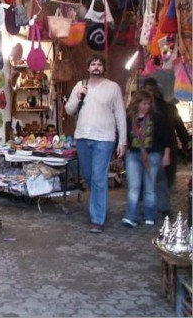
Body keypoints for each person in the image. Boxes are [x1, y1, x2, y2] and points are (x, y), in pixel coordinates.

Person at [65, 53, 127, 233]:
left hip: (104, 138)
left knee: (99, 178)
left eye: (99, 64)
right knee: (89, 176)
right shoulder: (80, 85)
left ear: (104, 68)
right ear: (88, 68)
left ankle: (97, 218)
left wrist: (122, 141)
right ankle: (97, 203)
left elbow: (121, 116)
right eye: (93, 64)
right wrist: (77, 96)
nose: (96, 67)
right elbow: (69, 110)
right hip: (83, 137)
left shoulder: (113, 87)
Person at [121, 90, 172, 228]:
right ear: (137, 104)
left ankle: (150, 215)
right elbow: (124, 136)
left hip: (153, 154)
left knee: (150, 186)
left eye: (149, 104)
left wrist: (166, 154)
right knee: (134, 186)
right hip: (133, 154)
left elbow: (166, 137)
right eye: (144, 103)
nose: (146, 106)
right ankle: (131, 216)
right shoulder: (129, 118)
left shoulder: (157, 118)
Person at [142, 77, 190, 216]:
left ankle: (158, 206)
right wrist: (185, 143)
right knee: (164, 179)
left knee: (161, 178)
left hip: (162, 147)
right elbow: (180, 127)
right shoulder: (168, 107)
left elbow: (179, 126)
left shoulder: (167, 108)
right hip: (161, 146)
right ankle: (162, 207)